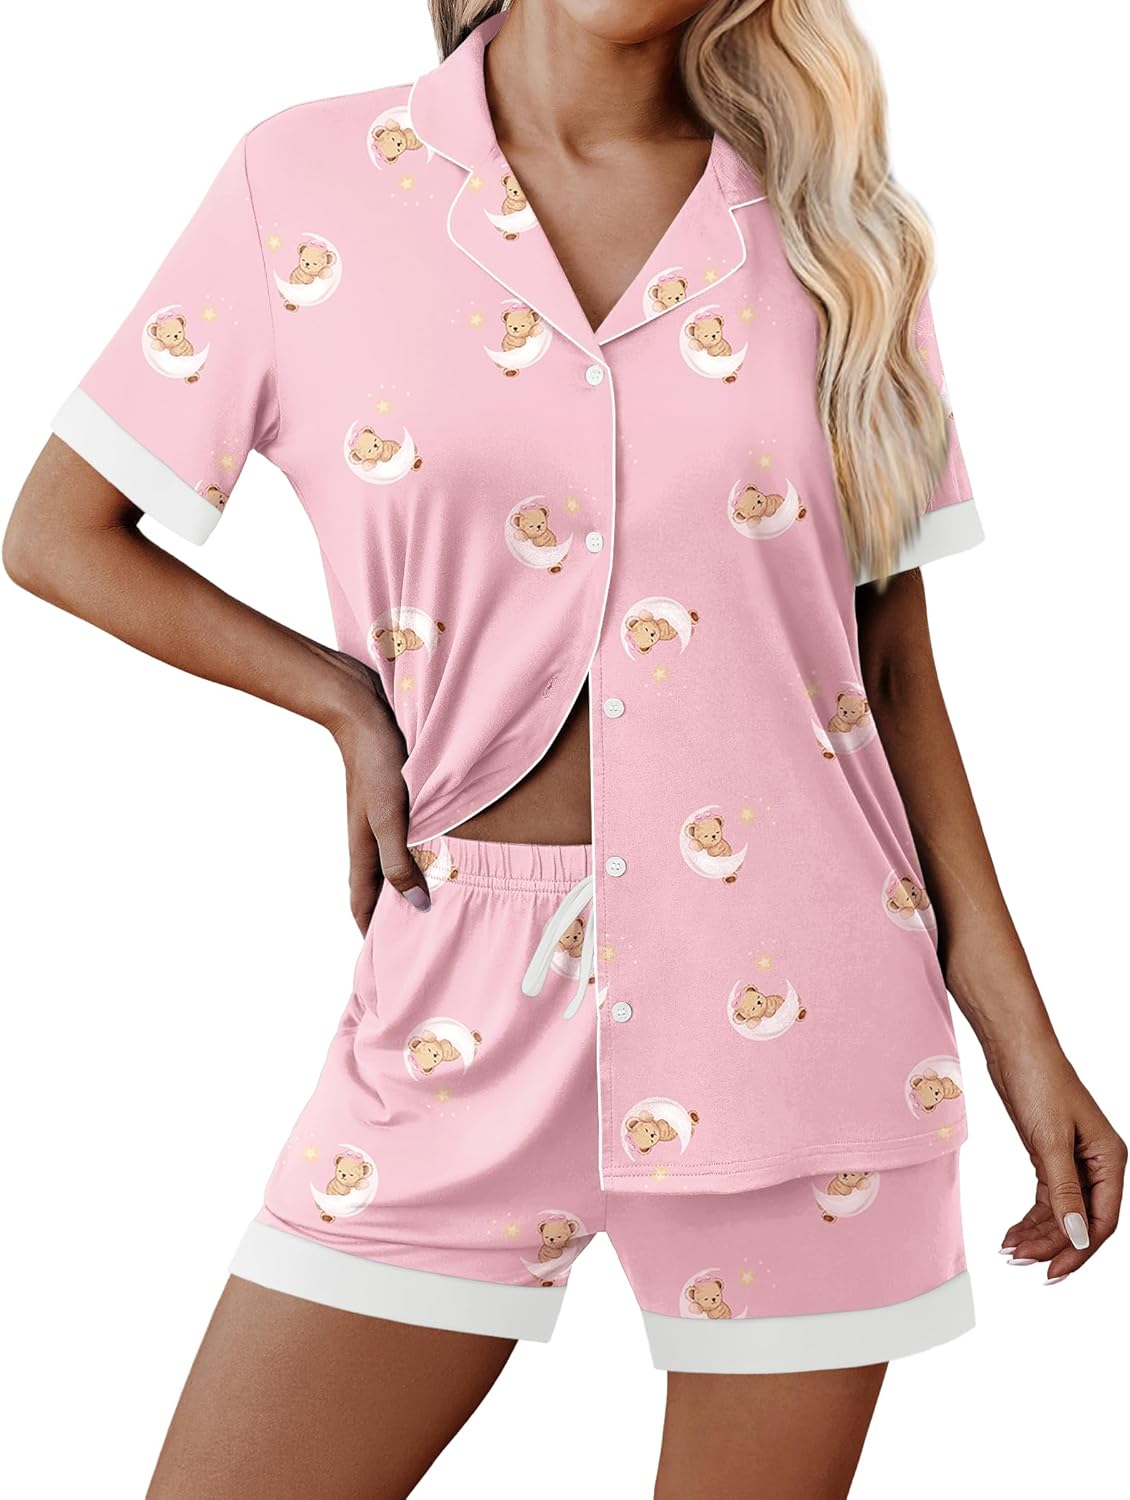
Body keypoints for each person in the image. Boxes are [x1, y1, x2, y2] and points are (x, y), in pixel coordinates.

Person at [5, 2, 1124, 1496]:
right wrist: (343, 700)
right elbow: (61, 533)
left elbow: (892, 678)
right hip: (462, 984)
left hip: (806, 1005)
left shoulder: (834, 231)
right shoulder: (310, 181)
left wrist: (1025, 1040)